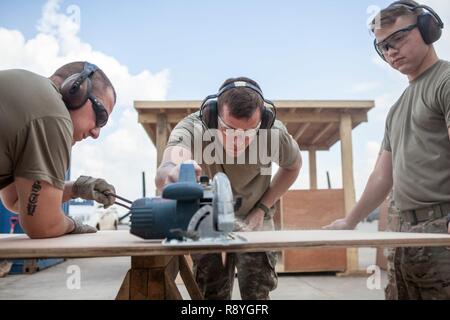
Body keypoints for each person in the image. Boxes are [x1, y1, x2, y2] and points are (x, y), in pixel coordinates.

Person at [325, 1, 450, 299]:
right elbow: (383, 175)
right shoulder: (397, 109)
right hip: (403, 233)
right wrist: (351, 220)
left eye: (398, 39)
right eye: (383, 47)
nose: (390, 51)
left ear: (427, 29)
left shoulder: (445, 81)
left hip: (442, 233)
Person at [155, 77, 302, 299]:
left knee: (257, 295)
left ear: (264, 119)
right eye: (229, 129)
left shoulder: (274, 133)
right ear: (212, 115)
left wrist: (262, 208)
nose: (238, 140)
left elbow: (293, 167)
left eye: (249, 131)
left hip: (255, 220)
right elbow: (167, 166)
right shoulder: (195, 127)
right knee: (211, 294)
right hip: (208, 220)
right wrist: (173, 172)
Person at [0, 61, 118, 239]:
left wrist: (76, 189)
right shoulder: (54, 117)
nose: (96, 133)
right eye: (101, 117)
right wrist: (72, 224)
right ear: (76, 90)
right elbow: (42, 226)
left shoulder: (29, 92)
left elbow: (16, 200)